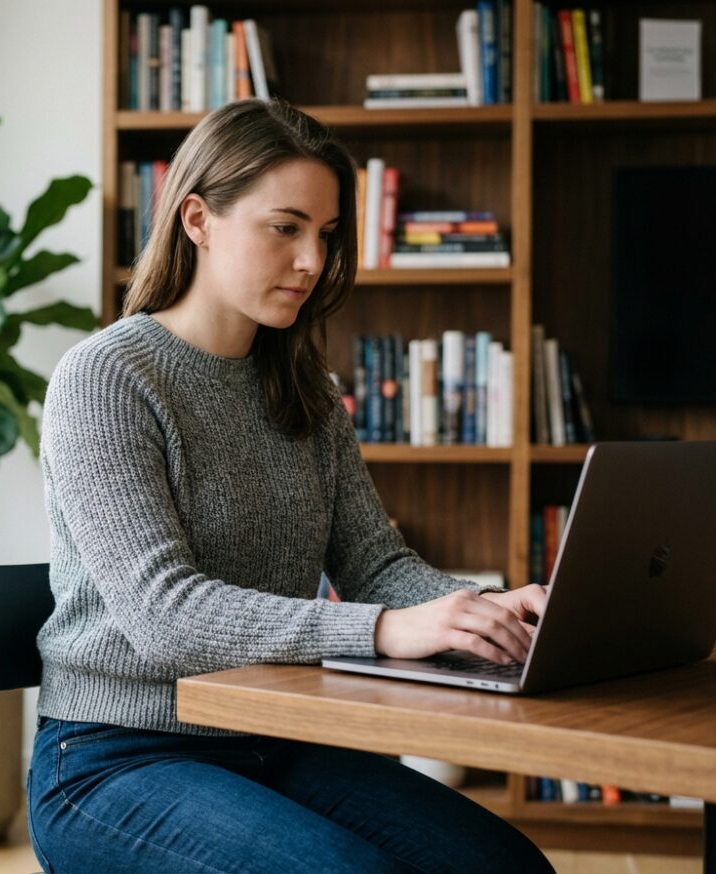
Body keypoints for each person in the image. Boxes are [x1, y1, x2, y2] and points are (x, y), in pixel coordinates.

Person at [28, 98, 553, 874]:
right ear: (198, 219)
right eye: (286, 228)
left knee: (507, 867)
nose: (313, 260)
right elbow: (161, 615)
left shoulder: (304, 384)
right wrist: (379, 630)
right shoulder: (107, 377)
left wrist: (479, 613)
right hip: (115, 759)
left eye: (327, 234)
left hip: (277, 738)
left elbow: (376, 565)